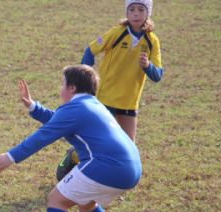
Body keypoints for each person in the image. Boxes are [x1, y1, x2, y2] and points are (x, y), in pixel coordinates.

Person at [0, 65, 142, 212]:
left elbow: (43, 136)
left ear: (71, 87)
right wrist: (34, 107)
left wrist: (11, 156)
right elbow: (59, 122)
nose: (60, 89)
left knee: (56, 200)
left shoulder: (76, 108)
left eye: (62, 84)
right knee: (86, 202)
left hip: (108, 166)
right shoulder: (92, 105)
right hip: (131, 168)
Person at [56, 0, 163, 181]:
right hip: (106, 98)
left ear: (148, 13)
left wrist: (148, 66)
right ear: (127, 13)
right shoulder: (117, 33)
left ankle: (113, 180)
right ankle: (74, 156)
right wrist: (85, 81)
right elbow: (90, 50)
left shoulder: (152, 41)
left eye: (141, 10)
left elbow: (158, 75)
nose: (136, 14)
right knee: (100, 143)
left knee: (128, 147)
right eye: (132, 10)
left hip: (130, 101)